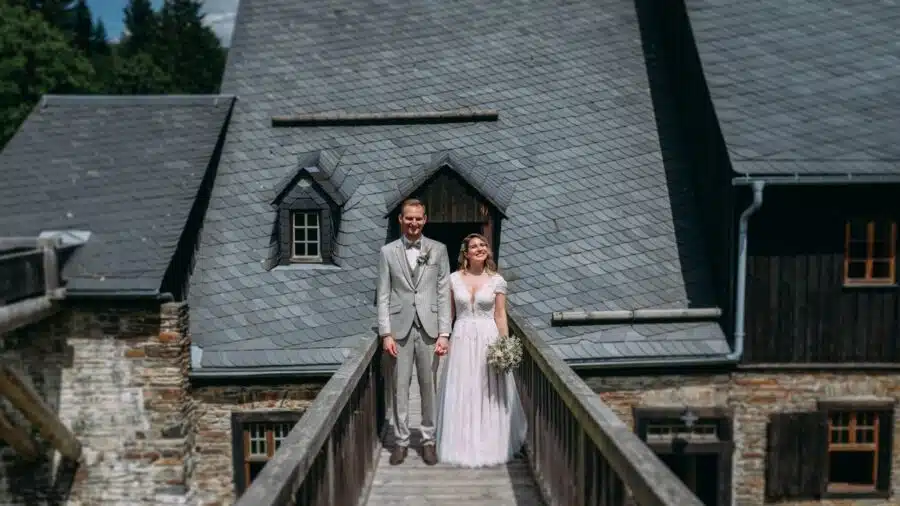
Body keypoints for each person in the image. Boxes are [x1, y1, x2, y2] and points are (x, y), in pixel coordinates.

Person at [435, 233, 527, 467]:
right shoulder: (453, 280)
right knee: (465, 388)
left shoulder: (497, 280)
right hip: (463, 337)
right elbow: (450, 314)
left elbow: (500, 315)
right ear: (465, 253)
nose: (479, 248)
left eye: (483, 245)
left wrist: (505, 344)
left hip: (488, 337)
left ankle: (492, 443)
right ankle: (462, 443)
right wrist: (443, 337)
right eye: (474, 246)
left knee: (489, 390)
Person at [376, 198, 452, 466]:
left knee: (428, 386)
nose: (414, 223)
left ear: (425, 219)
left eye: (418, 218)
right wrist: (385, 333)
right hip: (399, 329)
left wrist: (445, 333)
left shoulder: (438, 250)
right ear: (401, 219)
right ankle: (401, 441)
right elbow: (383, 294)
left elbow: (443, 293)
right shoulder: (387, 252)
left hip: (430, 328)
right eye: (409, 218)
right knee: (399, 387)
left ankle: (429, 440)